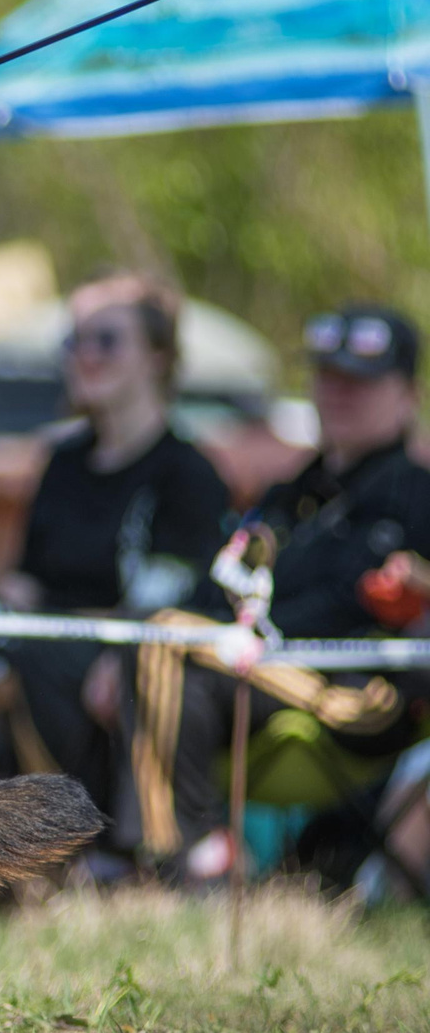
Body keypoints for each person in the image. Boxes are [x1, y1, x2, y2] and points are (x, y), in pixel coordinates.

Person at [156, 304, 430, 873]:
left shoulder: (417, 493)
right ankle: (141, 858)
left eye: (362, 381)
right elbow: (219, 584)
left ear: (407, 394)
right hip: (257, 677)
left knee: (171, 655)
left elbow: (343, 606)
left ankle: (181, 861)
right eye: (328, 377)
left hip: (361, 694)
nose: (339, 393)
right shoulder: (289, 494)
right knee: (136, 655)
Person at [0, 276, 230, 855]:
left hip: (123, 650)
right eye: (74, 341)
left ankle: (100, 852)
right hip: (37, 633)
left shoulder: (189, 473)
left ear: (157, 357)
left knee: (41, 658)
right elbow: (26, 580)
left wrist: (113, 651)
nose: (85, 355)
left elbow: (168, 599)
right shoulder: (61, 461)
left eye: (105, 339)